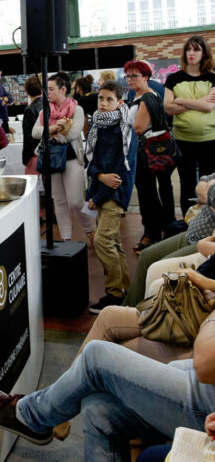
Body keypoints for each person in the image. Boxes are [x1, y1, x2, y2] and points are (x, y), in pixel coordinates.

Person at [0, 313, 215, 460]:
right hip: (203, 385)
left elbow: (204, 363)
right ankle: (46, 410)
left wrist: (210, 320)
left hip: (206, 397)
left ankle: (31, 416)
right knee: (97, 409)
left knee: (96, 355)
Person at [85, 80, 138, 311]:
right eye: (101, 98)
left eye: (109, 99)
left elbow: (117, 174)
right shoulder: (98, 126)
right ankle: (126, 291)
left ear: (120, 102)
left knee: (103, 240)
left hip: (116, 194)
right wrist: (96, 184)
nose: (104, 104)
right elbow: (93, 164)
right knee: (114, 243)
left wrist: (97, 196)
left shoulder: (125, 130)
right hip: (101, 190)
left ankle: (115, 293)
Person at [123, 177, 215, 307]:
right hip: (191, 235)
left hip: (203, 245)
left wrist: (210, 187)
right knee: (146, 256)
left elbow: (208, 193)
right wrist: (210, 188)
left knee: (158, 269)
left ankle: (144, 315)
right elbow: (201, 187)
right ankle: (129, 308)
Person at [32, 71, 95, 242]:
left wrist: (50, 136)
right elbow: (35, 132)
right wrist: (54, 129)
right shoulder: (45, 110)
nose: (48, 93)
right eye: (47, 89)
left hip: (72, 159)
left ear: (63, 89)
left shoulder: (77, 109)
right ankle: (66, 239)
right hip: (52, 160)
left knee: (76, 201)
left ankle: (91, 230)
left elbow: (73, 133)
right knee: (59, 201)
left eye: (51, 89)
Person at [125, 59, 176, 252]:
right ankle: (155, 232)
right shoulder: (138, 96)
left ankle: (152, 234)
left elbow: (137, 128)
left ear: (146, 77)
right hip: (145, 153)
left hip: (147, 154)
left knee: (149, 196)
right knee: (150, 195)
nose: (130, 79)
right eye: (128, 76)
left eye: (134, 76)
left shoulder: (147, 97)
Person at [164, 35, 215, 217]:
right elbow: (168, 109)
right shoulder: (173, 79)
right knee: (186, 184)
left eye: (196, 49)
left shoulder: (212, 77)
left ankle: (209, 223)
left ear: (204, 53)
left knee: (209, 185)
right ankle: (188, 225)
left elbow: (209, 106)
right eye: (188, 49)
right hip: (183, 141)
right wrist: (198, 102)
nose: (191, 53)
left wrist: (181, 100)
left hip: (210, 140)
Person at [21, 76, 42, 175]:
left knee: (32, 185)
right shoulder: (49, 104)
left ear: (27, 92)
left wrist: (26, 158)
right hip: (48, 152)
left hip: (34, 154)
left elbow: (29, 136)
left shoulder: (30, 109)